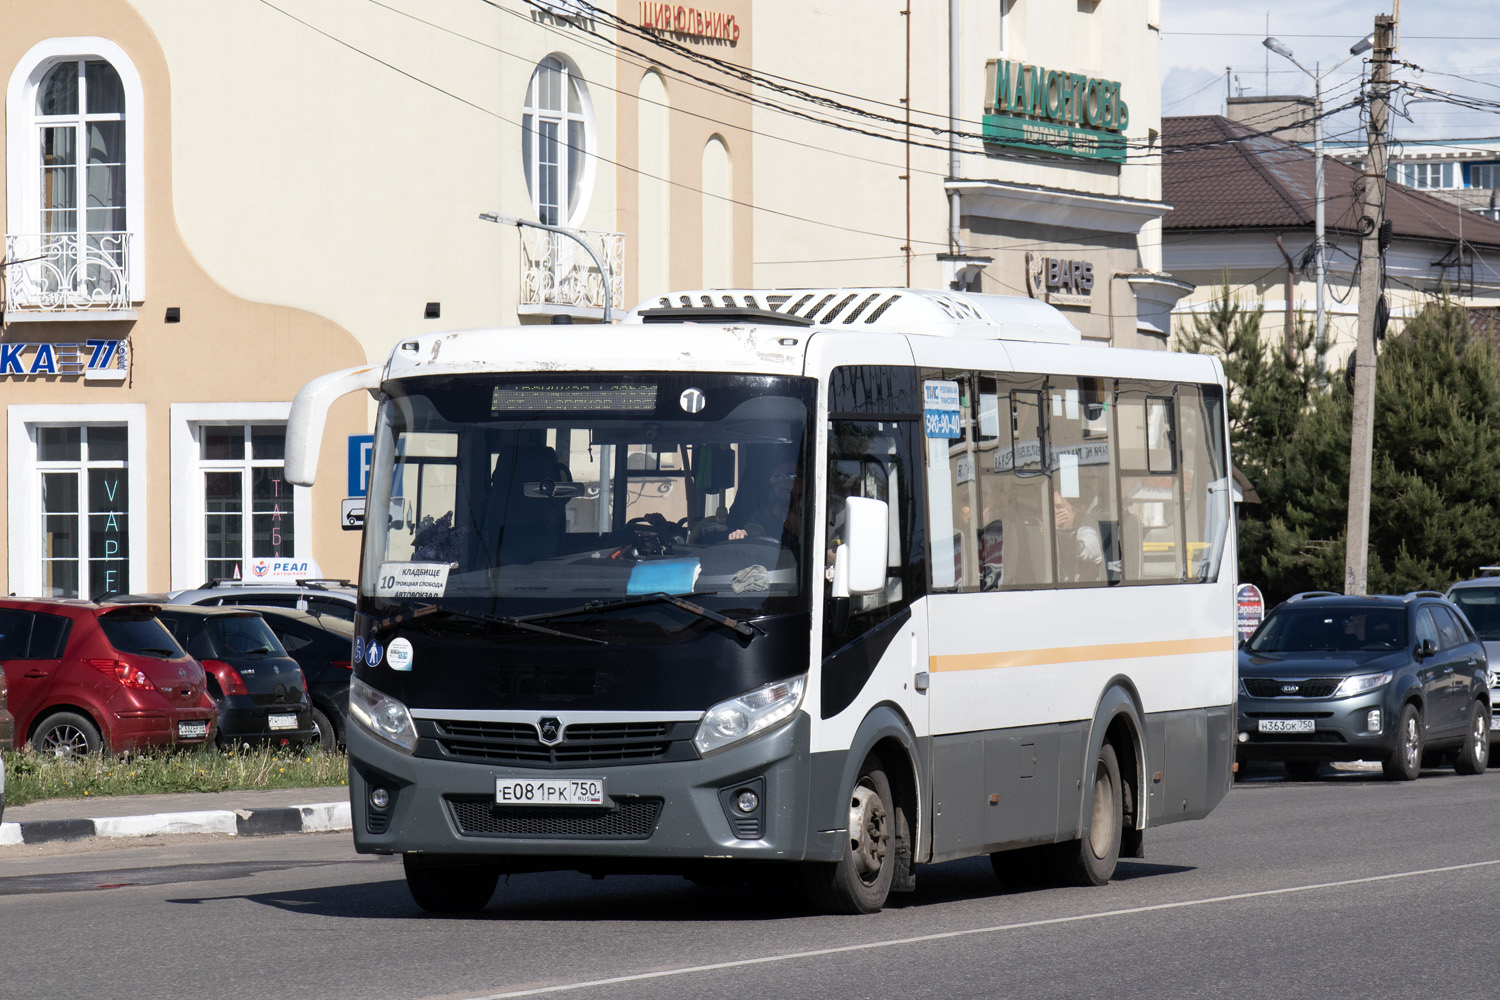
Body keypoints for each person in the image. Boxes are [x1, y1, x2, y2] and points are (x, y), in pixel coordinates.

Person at [729, 457, 802, 544]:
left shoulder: (817, 513)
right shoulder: (767, 513)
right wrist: (744, 534)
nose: (782, 483)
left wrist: (799, 530)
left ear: (803, 480)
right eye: (777, 478)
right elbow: (754, 529)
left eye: (790, 477)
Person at [1054, 489, 1103, 582]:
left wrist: (1055, 532)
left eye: (1059, 506)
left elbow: (1076, 548)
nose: (1054, 511)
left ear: (1074, 509)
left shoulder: (1088, 533)